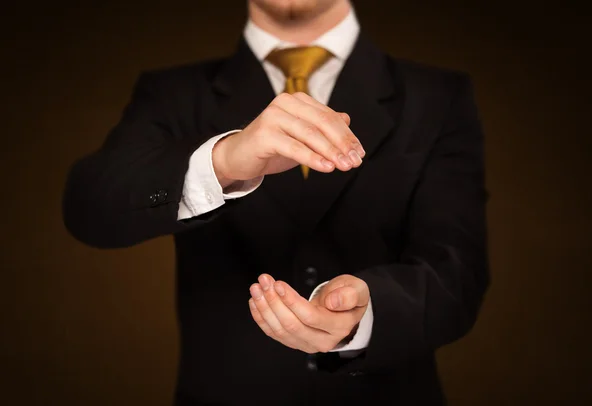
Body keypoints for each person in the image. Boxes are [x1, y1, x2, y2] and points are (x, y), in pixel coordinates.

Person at [63, 0, 490, 404]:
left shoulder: (438, 96)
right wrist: (225, 159)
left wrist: (366, 314)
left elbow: (458, 271)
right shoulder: (172, 92)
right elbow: (89, 208)